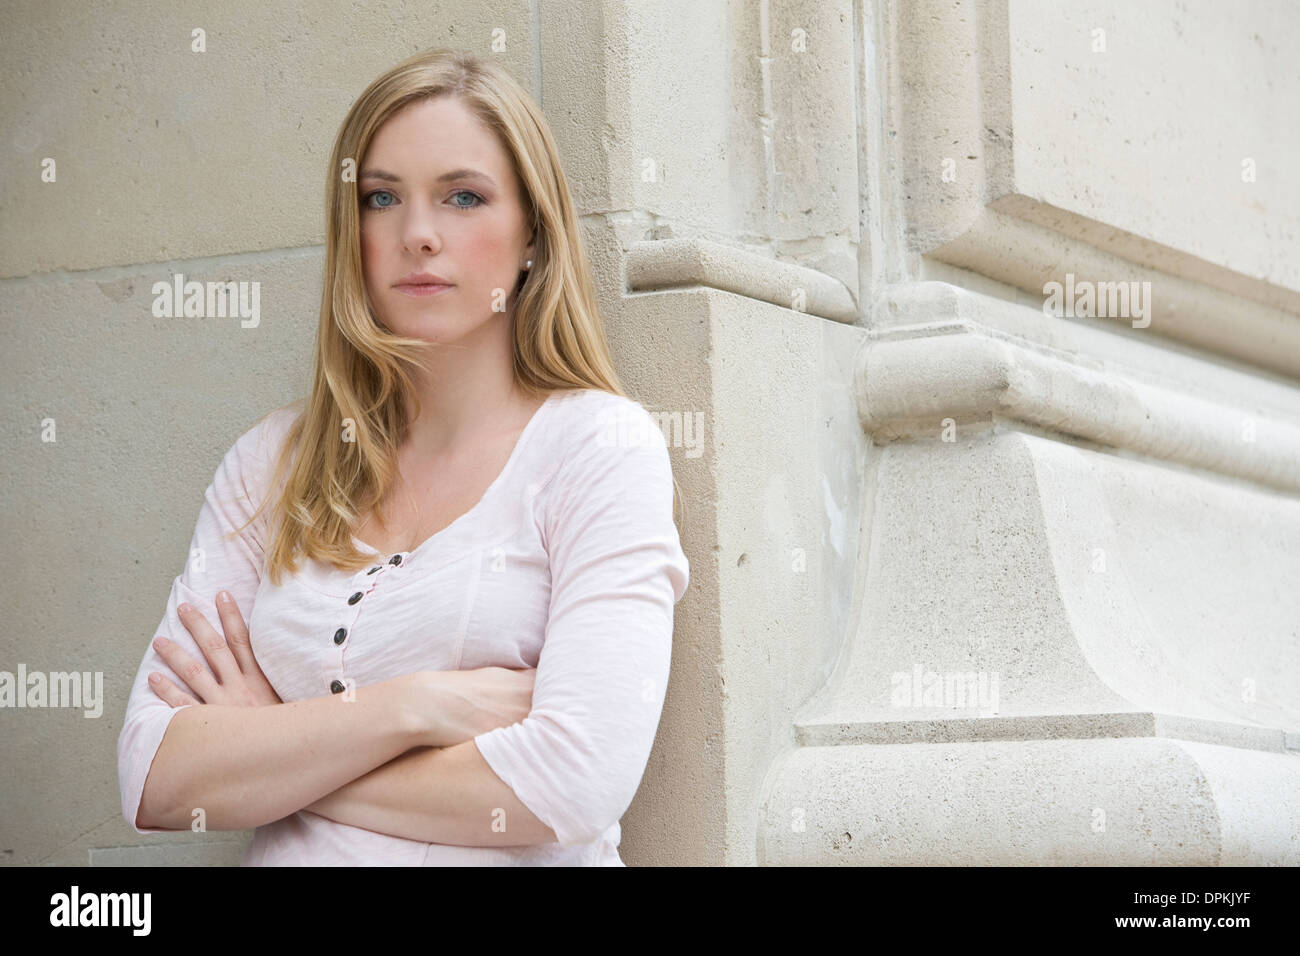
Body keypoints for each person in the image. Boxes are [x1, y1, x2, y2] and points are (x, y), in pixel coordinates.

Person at [116, 47, 689, 866]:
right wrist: (412, 710)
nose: (418, 235)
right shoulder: (270, 463)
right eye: (382, 198)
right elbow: (154, 777)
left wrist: (273, 743)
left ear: (534, 235)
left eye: (463, 197)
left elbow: (572, 782)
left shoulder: (598, 447)